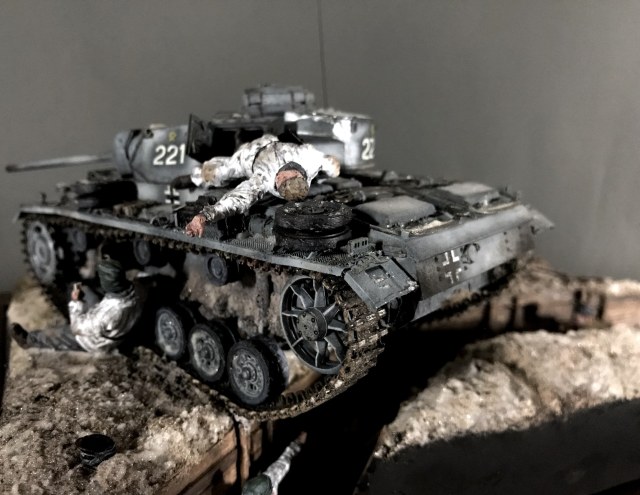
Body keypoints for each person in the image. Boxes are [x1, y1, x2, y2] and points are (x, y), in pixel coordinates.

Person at [185, 134, 340, 237]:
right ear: (300, 175)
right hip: (269, 140)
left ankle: (195, 177)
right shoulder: (310, 159)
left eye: (280, 181)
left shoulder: (264, 179)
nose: (278, 176)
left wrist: (204, 216)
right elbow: (329, 163)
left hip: (247, 158)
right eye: (285, 177)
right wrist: (333, 168)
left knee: (215, 173)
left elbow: (237, 200)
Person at [10, 258, 143, 353]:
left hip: (95, 342)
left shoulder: (105, 314)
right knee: (85, 291)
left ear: (108, 285)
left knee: (57, 335)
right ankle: (72, 288)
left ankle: (28, 340)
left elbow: (77, 328)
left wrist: (75, 302)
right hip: (114, 323)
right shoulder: (136, 290)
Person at [242, 432, 307, 495]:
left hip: (270, 477)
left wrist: (297, 444)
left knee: (284, 461)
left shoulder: (271, 478)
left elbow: (284, 461)